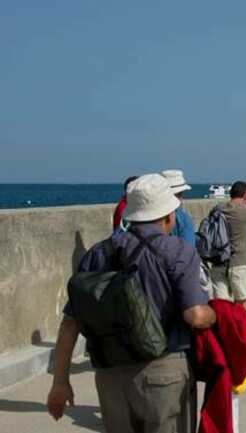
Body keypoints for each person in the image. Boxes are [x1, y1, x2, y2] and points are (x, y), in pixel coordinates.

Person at [47, 173, 217, 433]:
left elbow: (69, 325)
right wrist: (214, 315)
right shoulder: (179, 251)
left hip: (110, 375)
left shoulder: (97, 253)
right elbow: (195, 315)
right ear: (169, 215)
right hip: (164, 371)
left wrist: (60, 382)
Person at [161, 170, 196, 246]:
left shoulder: (151, 218)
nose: (182, 198)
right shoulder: (184, 219)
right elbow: (189, 251)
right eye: (180, 194)